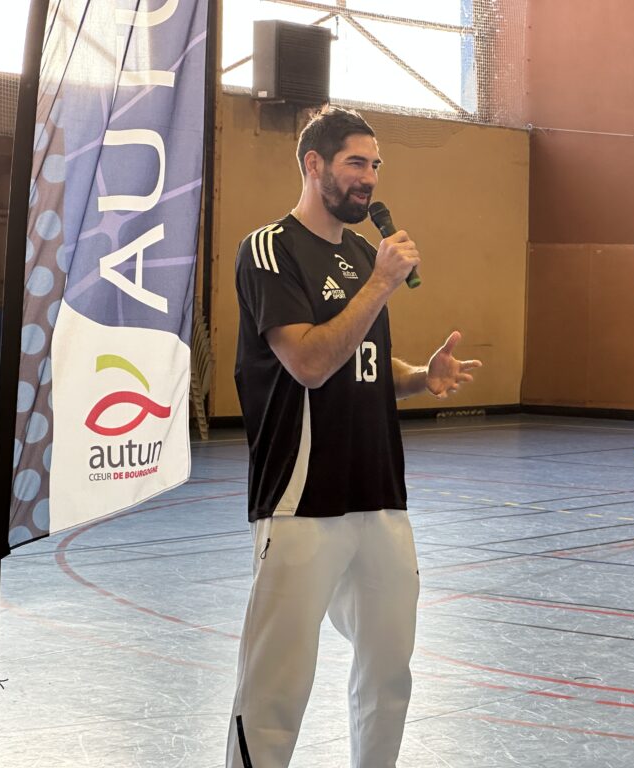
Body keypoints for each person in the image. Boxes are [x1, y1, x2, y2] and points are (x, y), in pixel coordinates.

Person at [228, 107, 481, 768]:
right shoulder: (270, 250)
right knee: (274, 690)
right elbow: (309, 362)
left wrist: (422, 376)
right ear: (314, 165)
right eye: (356, 164)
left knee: (388, 675)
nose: (369, 179)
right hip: (302, 501)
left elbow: (360, 358)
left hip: (380, 497)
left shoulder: (364, 253)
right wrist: (379, 285)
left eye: (375, 166)